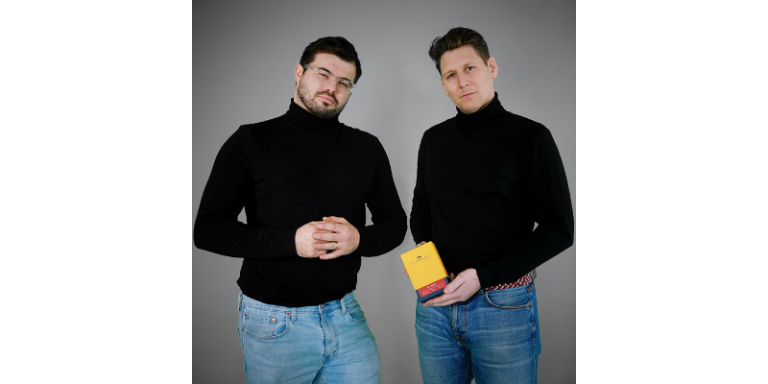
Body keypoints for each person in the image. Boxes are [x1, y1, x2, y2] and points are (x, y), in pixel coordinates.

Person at [194, 36, 407, 384]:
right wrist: (293, 242)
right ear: (299, 72)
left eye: (344, 82)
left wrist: (359, 240)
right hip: (273, 321)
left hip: (345, 313)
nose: (332, 87)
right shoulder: (250, 141)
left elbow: (396, 223)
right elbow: (207, 230)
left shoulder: (366, 148)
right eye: (323, 74)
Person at [408, 27, 574, 384]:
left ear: (491, 67)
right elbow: (422, 207)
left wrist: (483, 277)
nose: (462, 81)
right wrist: (424, 258)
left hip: (504, 309)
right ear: (443, 84)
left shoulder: (531, 137)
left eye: (470, 68)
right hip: (436, 308)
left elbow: (559, 230)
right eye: (451, 74)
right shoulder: (434, 140)